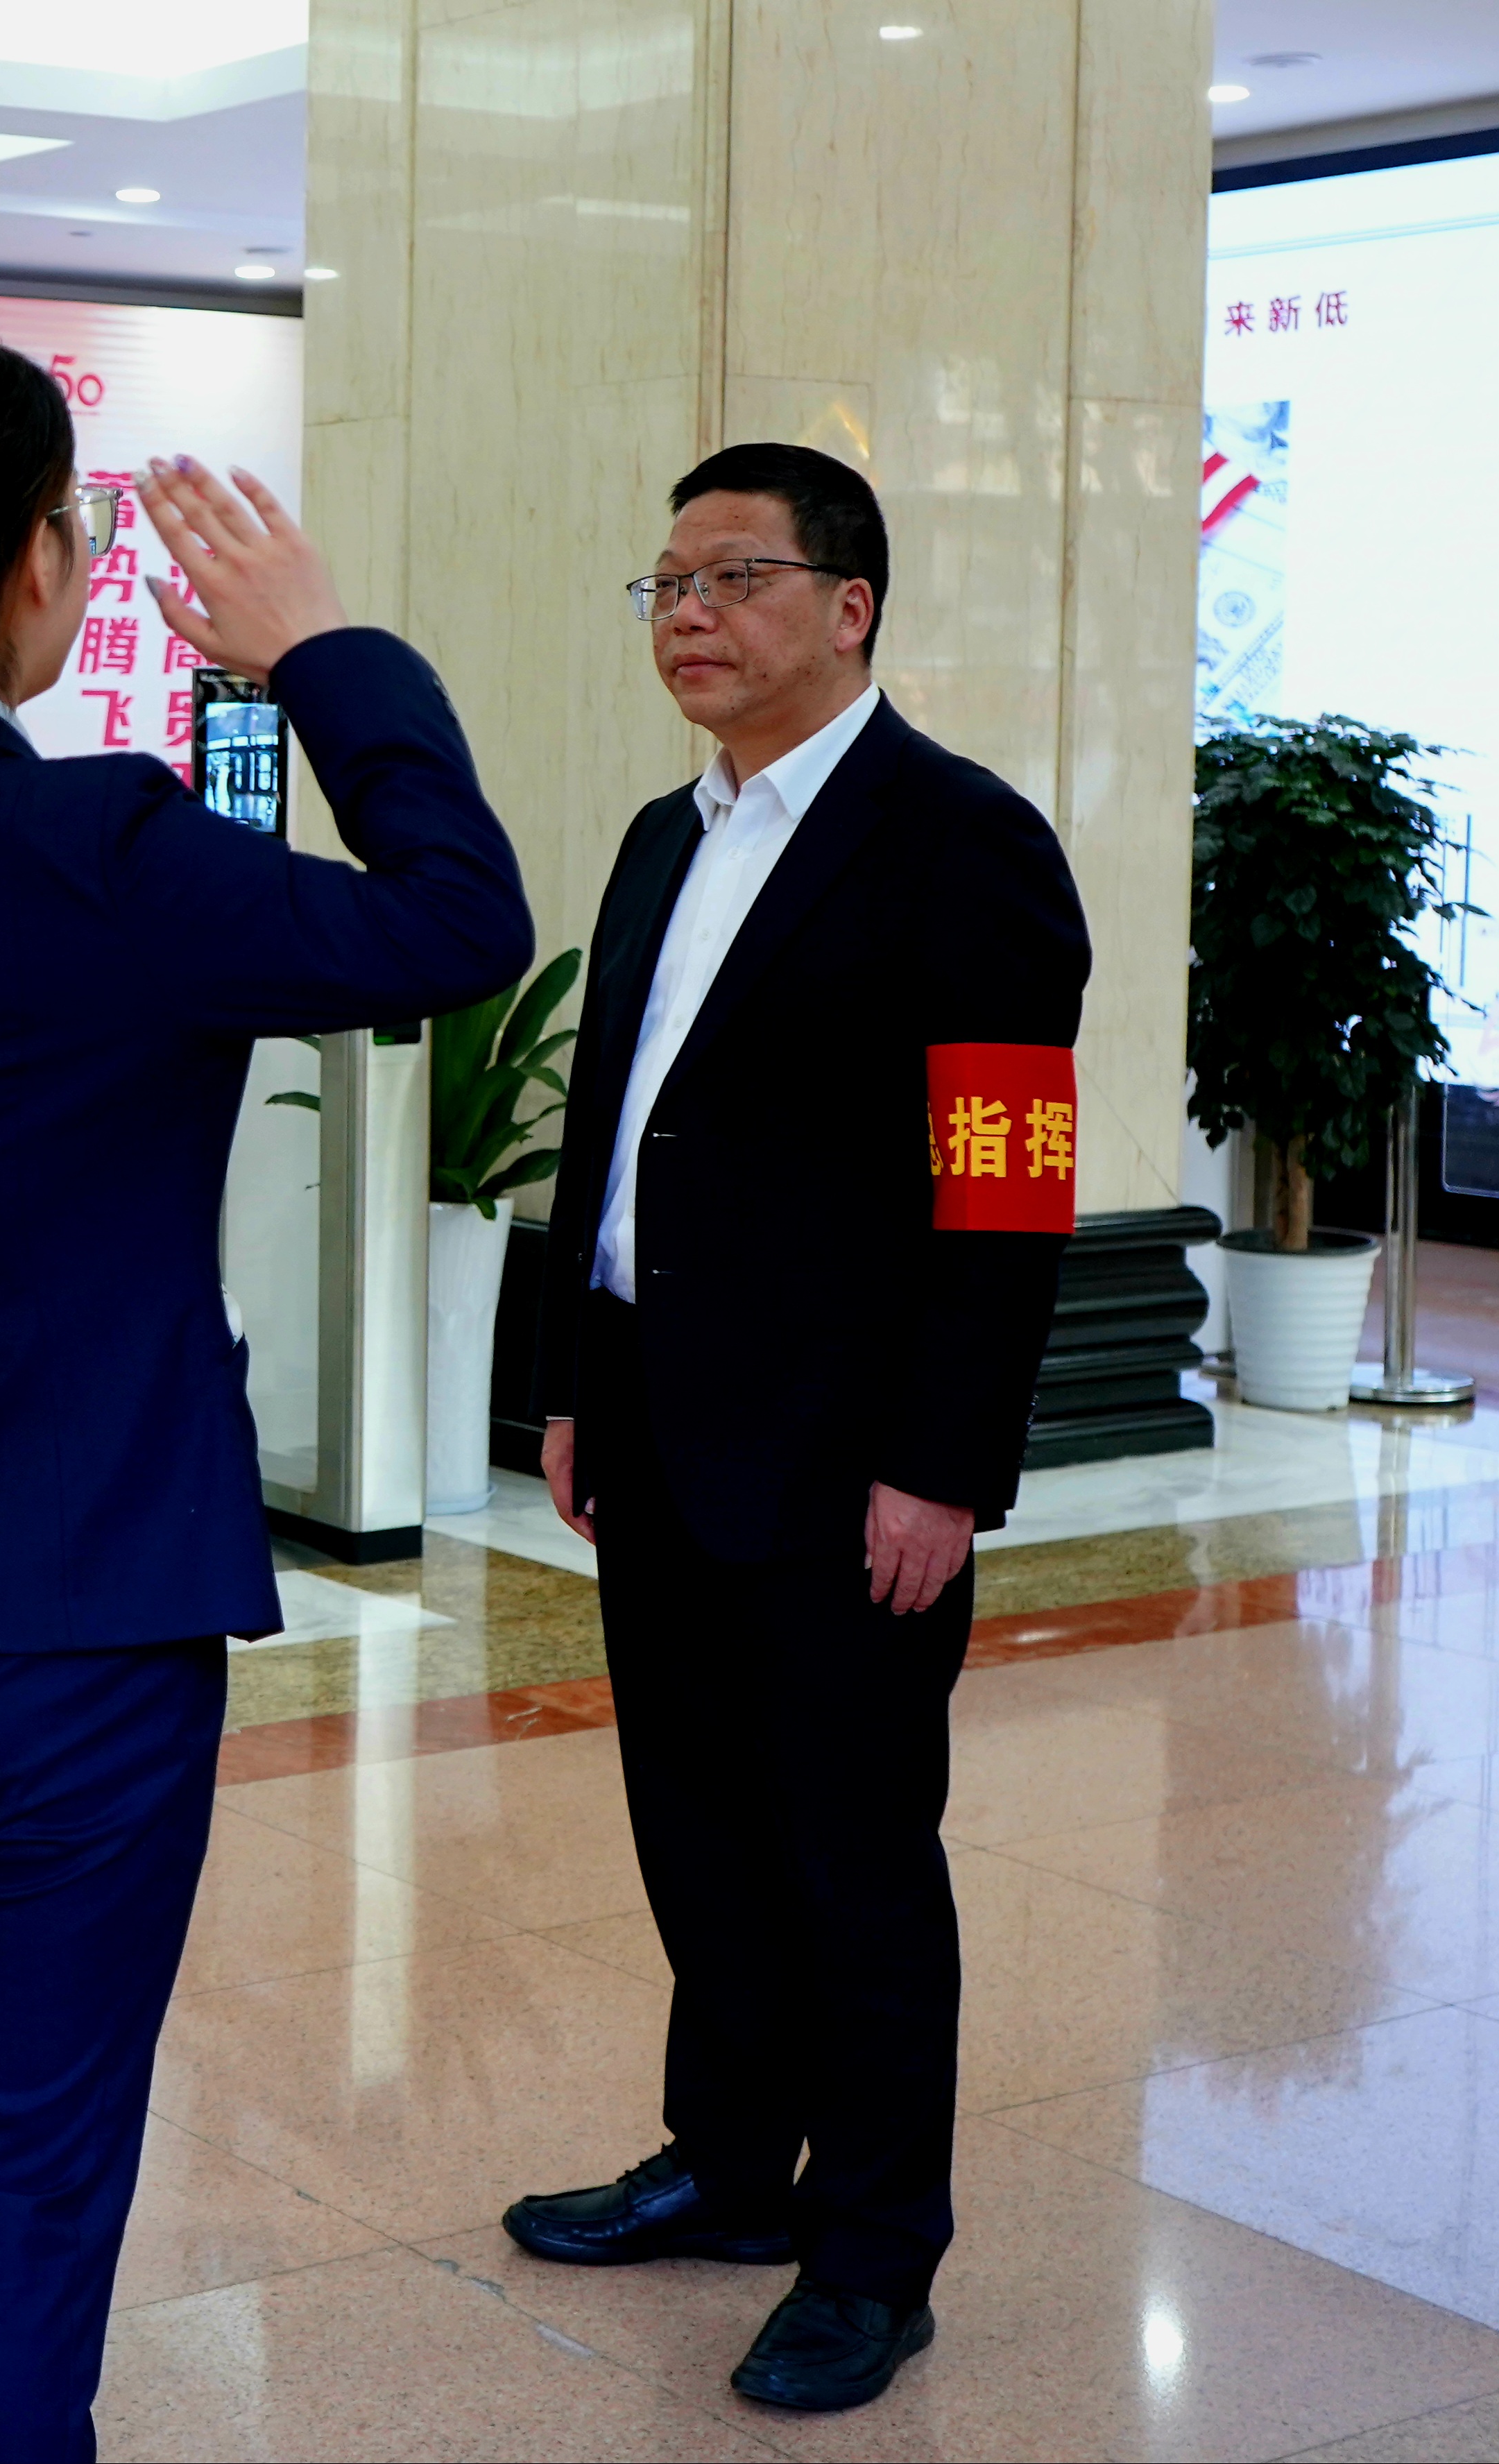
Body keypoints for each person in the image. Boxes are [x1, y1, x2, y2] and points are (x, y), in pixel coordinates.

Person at [0, 326, 531, 2464]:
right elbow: (458, 924)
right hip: (69, 1635)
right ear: (39, 563)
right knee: (21, 2173)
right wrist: (317, 655)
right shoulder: (97, 845)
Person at [511, 443, 1092, 2413]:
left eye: (733, 576)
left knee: (853, 1863)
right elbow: (607, 1134)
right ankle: (730, 2167)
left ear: (849, 607)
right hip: (655, 1419)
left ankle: (870, 2256)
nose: (687, 612)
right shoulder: (661, 838)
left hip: (850, 1461)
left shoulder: (963, 844)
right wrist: (568, 1381)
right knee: (696, 1831)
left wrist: (943, 1464)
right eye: (666, 583)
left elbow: (1005, 1187)